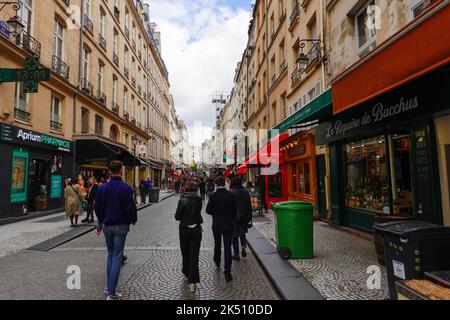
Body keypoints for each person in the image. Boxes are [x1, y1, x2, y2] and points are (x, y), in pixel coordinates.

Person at [94, 161, 137, 300]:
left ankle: (109, 287)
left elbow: (97, 207)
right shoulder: (126, 188)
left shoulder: (102, 188)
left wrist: (102, 221)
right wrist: (128, 219)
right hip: (120, 226)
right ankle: (111, 293)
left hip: (107, 226)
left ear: (110, 172)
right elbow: (130, 207)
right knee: (117, 257)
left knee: (111, 255)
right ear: (121, 171)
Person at [206, 176, 237, 282]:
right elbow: (235, 209)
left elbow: (208, 210)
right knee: (228, 247)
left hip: (217, 224)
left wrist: (216, 214)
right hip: (228, 223)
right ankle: (227, 271)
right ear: (224, 183)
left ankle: (217, 261)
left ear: (216, 184)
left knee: (217, 243)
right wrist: (230, 217)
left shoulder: (213, 196)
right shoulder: (231, 195)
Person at [175, 181, 203, 293]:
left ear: (185, 189)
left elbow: (177, 217)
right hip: (196, 229)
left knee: (185, 252)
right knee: (194, 255)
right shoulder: (199, 199)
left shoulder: (182, 200)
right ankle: (192, 282)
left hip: (184, 230)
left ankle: (186, 272)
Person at [231, 177, 253, 261]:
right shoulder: (246, 192)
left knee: (235, 236)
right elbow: (249, 206)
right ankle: (243, 247)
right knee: (243, 233)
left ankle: (236, 254)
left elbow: (231, 207)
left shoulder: (233, 193)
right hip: (244, 217)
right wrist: (249, 217)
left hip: (235, 218)